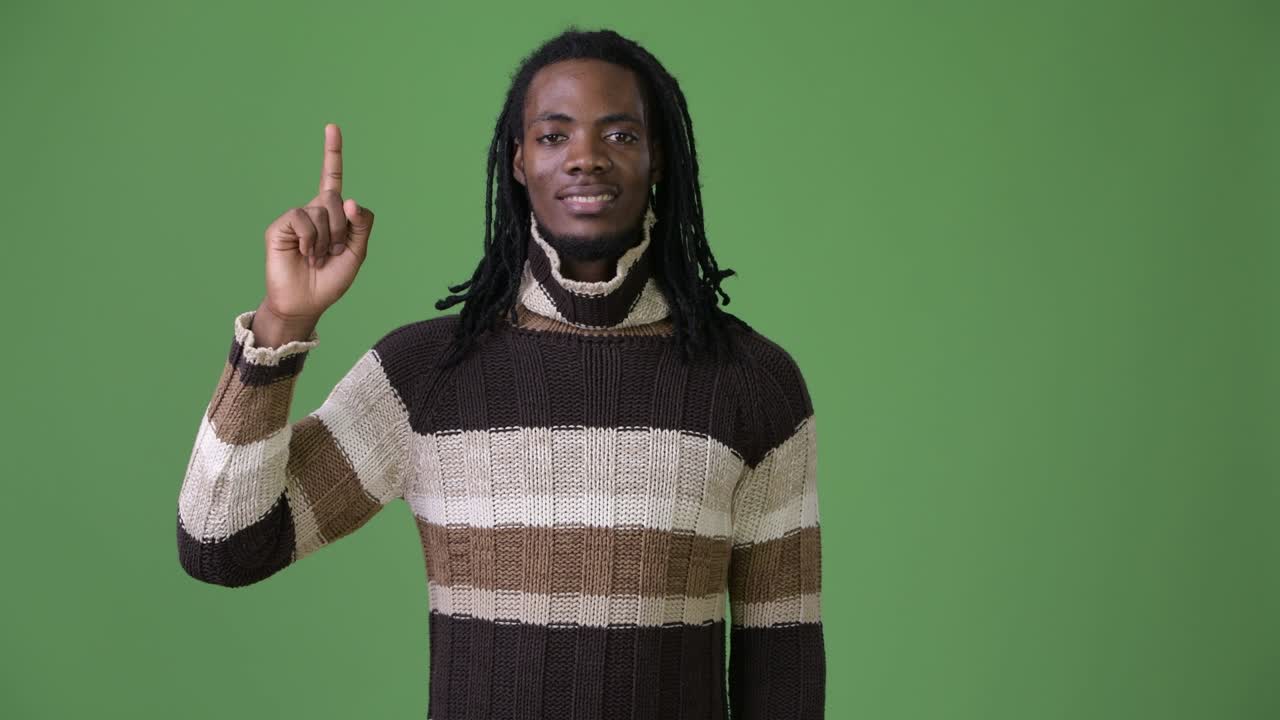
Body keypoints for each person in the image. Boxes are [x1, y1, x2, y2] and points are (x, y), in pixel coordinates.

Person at [176, 26, 825, 720]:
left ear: (658, 157)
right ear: (517, 162)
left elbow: (780, 665)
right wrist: (282, 321)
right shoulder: (426, 375)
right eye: (553, 136)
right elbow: (223, 547)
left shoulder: (752, 383)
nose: (585, 159)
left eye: (620, 135)